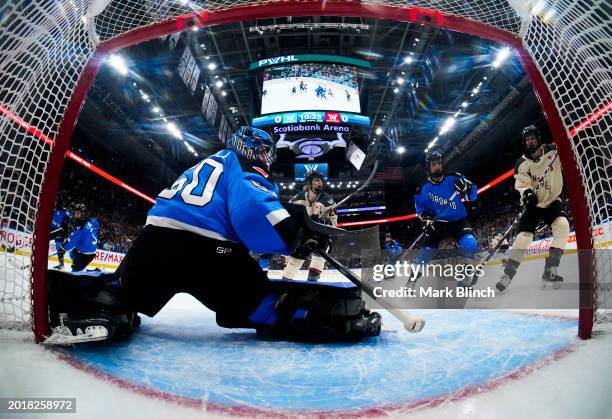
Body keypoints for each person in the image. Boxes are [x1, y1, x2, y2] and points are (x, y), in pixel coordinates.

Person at [45, 126, 381, 345]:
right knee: (273, 308)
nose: (266, 160)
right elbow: (252, 211)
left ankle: (75, 302)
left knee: (119, 293)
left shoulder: (206, 165)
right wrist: (294, 232)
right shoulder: (241, 169)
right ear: (253, 150)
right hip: (207, 252)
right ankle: (341, 318)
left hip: (154, 241)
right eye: (265, 154)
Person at [496, 125, 569, 292]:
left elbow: (567, 159)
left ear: (538, 138)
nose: (530, 141)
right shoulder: (521, 163)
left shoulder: (554, 151)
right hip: (534, 204)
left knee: (563, 226)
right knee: (523, 237)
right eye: (527, 139)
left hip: (552, 201)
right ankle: (508, 274)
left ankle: (550, 270)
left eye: (532, 138)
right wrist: (527, 194)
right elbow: (522, 185)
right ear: (524, 142)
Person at [411, 150, 479, 287]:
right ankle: (411, 281)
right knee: (425, 252)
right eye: (433, 164)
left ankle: (464, 278)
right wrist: (426, 219)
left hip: (458, 221)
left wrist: (467, 187)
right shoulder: (422, 188)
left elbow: (472, 196)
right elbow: (420, 210)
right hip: (438, 223)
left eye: (439, 163)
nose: (437, 166)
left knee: (470, 243)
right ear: (428, 167)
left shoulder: (455, 177)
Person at [281, 170, 337, 282]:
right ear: (309, 183)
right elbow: (288, 219)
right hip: (304, 234)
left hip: (322, 235)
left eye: (321, 181)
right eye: (316, 180)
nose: (320, 183)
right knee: (294, 262)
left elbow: (333, 224)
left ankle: (313, 281)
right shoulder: (296, 199)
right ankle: (285, 284)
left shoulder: (328, 200)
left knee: (321, 253)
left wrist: (323, 222)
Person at [60, 205, 99, 272]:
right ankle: (83, 269)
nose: (75, 216)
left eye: (77, 214)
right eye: (75, 213)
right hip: (86, 251)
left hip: (86, 255)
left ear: (83, 214)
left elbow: (73, 240)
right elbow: (96, 224)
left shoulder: (81, 228)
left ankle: (93, 272)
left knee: (74, 272)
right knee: (72, 253)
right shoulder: (91, 221)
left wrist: (63, 248)